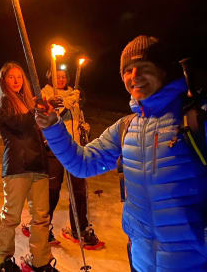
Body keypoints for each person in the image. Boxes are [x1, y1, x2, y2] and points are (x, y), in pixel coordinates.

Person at [36, 35, 207, 272]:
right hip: (142, 263)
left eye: (143, 67)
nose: (134, 75)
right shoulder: (126, 127)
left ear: (164, 71)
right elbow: (83, 163)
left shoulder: (195, 120)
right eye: (127, 70)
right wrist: (53, 126)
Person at [0, 62, 58, 272]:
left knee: (41, 217)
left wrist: (48, 114)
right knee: (11, 216)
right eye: (11, 77)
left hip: (38, 165)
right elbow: (20, 125)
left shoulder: (28, 103)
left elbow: (38, 130)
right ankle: (2, 259)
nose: (16, 80)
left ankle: (40, 261)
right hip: (17, 166)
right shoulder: (4, 103)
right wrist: (35, 111)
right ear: (4, 80)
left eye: (19, 77)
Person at [41, 67, 103, 249]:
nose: (60, 79)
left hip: (76, 149)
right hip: (54, 149)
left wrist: (84, 126)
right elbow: (48, 118)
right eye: (56, 76)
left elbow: (77, 120)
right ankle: (43, 227)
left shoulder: (74, 95)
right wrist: (64, 104)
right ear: (50, 76)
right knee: (52, 190)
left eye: (63, 76)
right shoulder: (45, 94)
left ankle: (79, 228)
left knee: (79, 190)